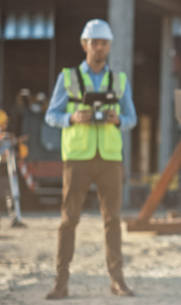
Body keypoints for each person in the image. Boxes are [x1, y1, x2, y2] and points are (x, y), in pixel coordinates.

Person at [44, 19, 137, 300]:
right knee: (68, 220)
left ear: (109, 47)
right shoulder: (68, 77)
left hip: (109, 158)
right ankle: (61, 282)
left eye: (104, 43)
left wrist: (118, 118)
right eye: (94, 42)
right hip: (78, 158)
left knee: (113, 220)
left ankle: (116, 280)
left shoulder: (120, 81)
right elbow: (51, 115)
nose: (99, 47)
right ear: (85, 45)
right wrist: (71, 117)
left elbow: (131, 118)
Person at [0, 109, 27, 228]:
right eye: (4, 122)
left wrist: (15, 142)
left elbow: (11, 147)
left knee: (11, 194)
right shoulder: (4, 137)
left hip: (6, 171)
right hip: (2, 170)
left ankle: (15, 219)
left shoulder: (6, 137)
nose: (6, 125)